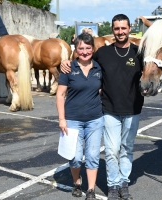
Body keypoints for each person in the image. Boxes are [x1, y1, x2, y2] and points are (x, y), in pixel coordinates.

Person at [61, 14, 144, 200]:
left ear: (129, 28)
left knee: (127, 148)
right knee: (112, 150)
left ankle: (124, 183)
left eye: (123, 28)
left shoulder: (139, 53)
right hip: (109, 110)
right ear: (112, 30)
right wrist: (66, 62)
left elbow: (153, 72)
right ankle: (113, 185)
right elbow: (83, 58)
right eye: (117, 28)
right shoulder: (104, 53)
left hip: (133, 109)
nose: (120, 32)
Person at [56, 32, 103, 200]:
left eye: (88, 48)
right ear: (75, 49)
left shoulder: (99, 68)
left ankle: (90, 189)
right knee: (75, 157)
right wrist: (62, 119)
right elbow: (60, 95)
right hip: (72, 120)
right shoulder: (68, 68)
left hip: (95, 120)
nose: (84, 51)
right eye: (80, 48)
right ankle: (77, 182)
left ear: (93, 49)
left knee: (92, 156)